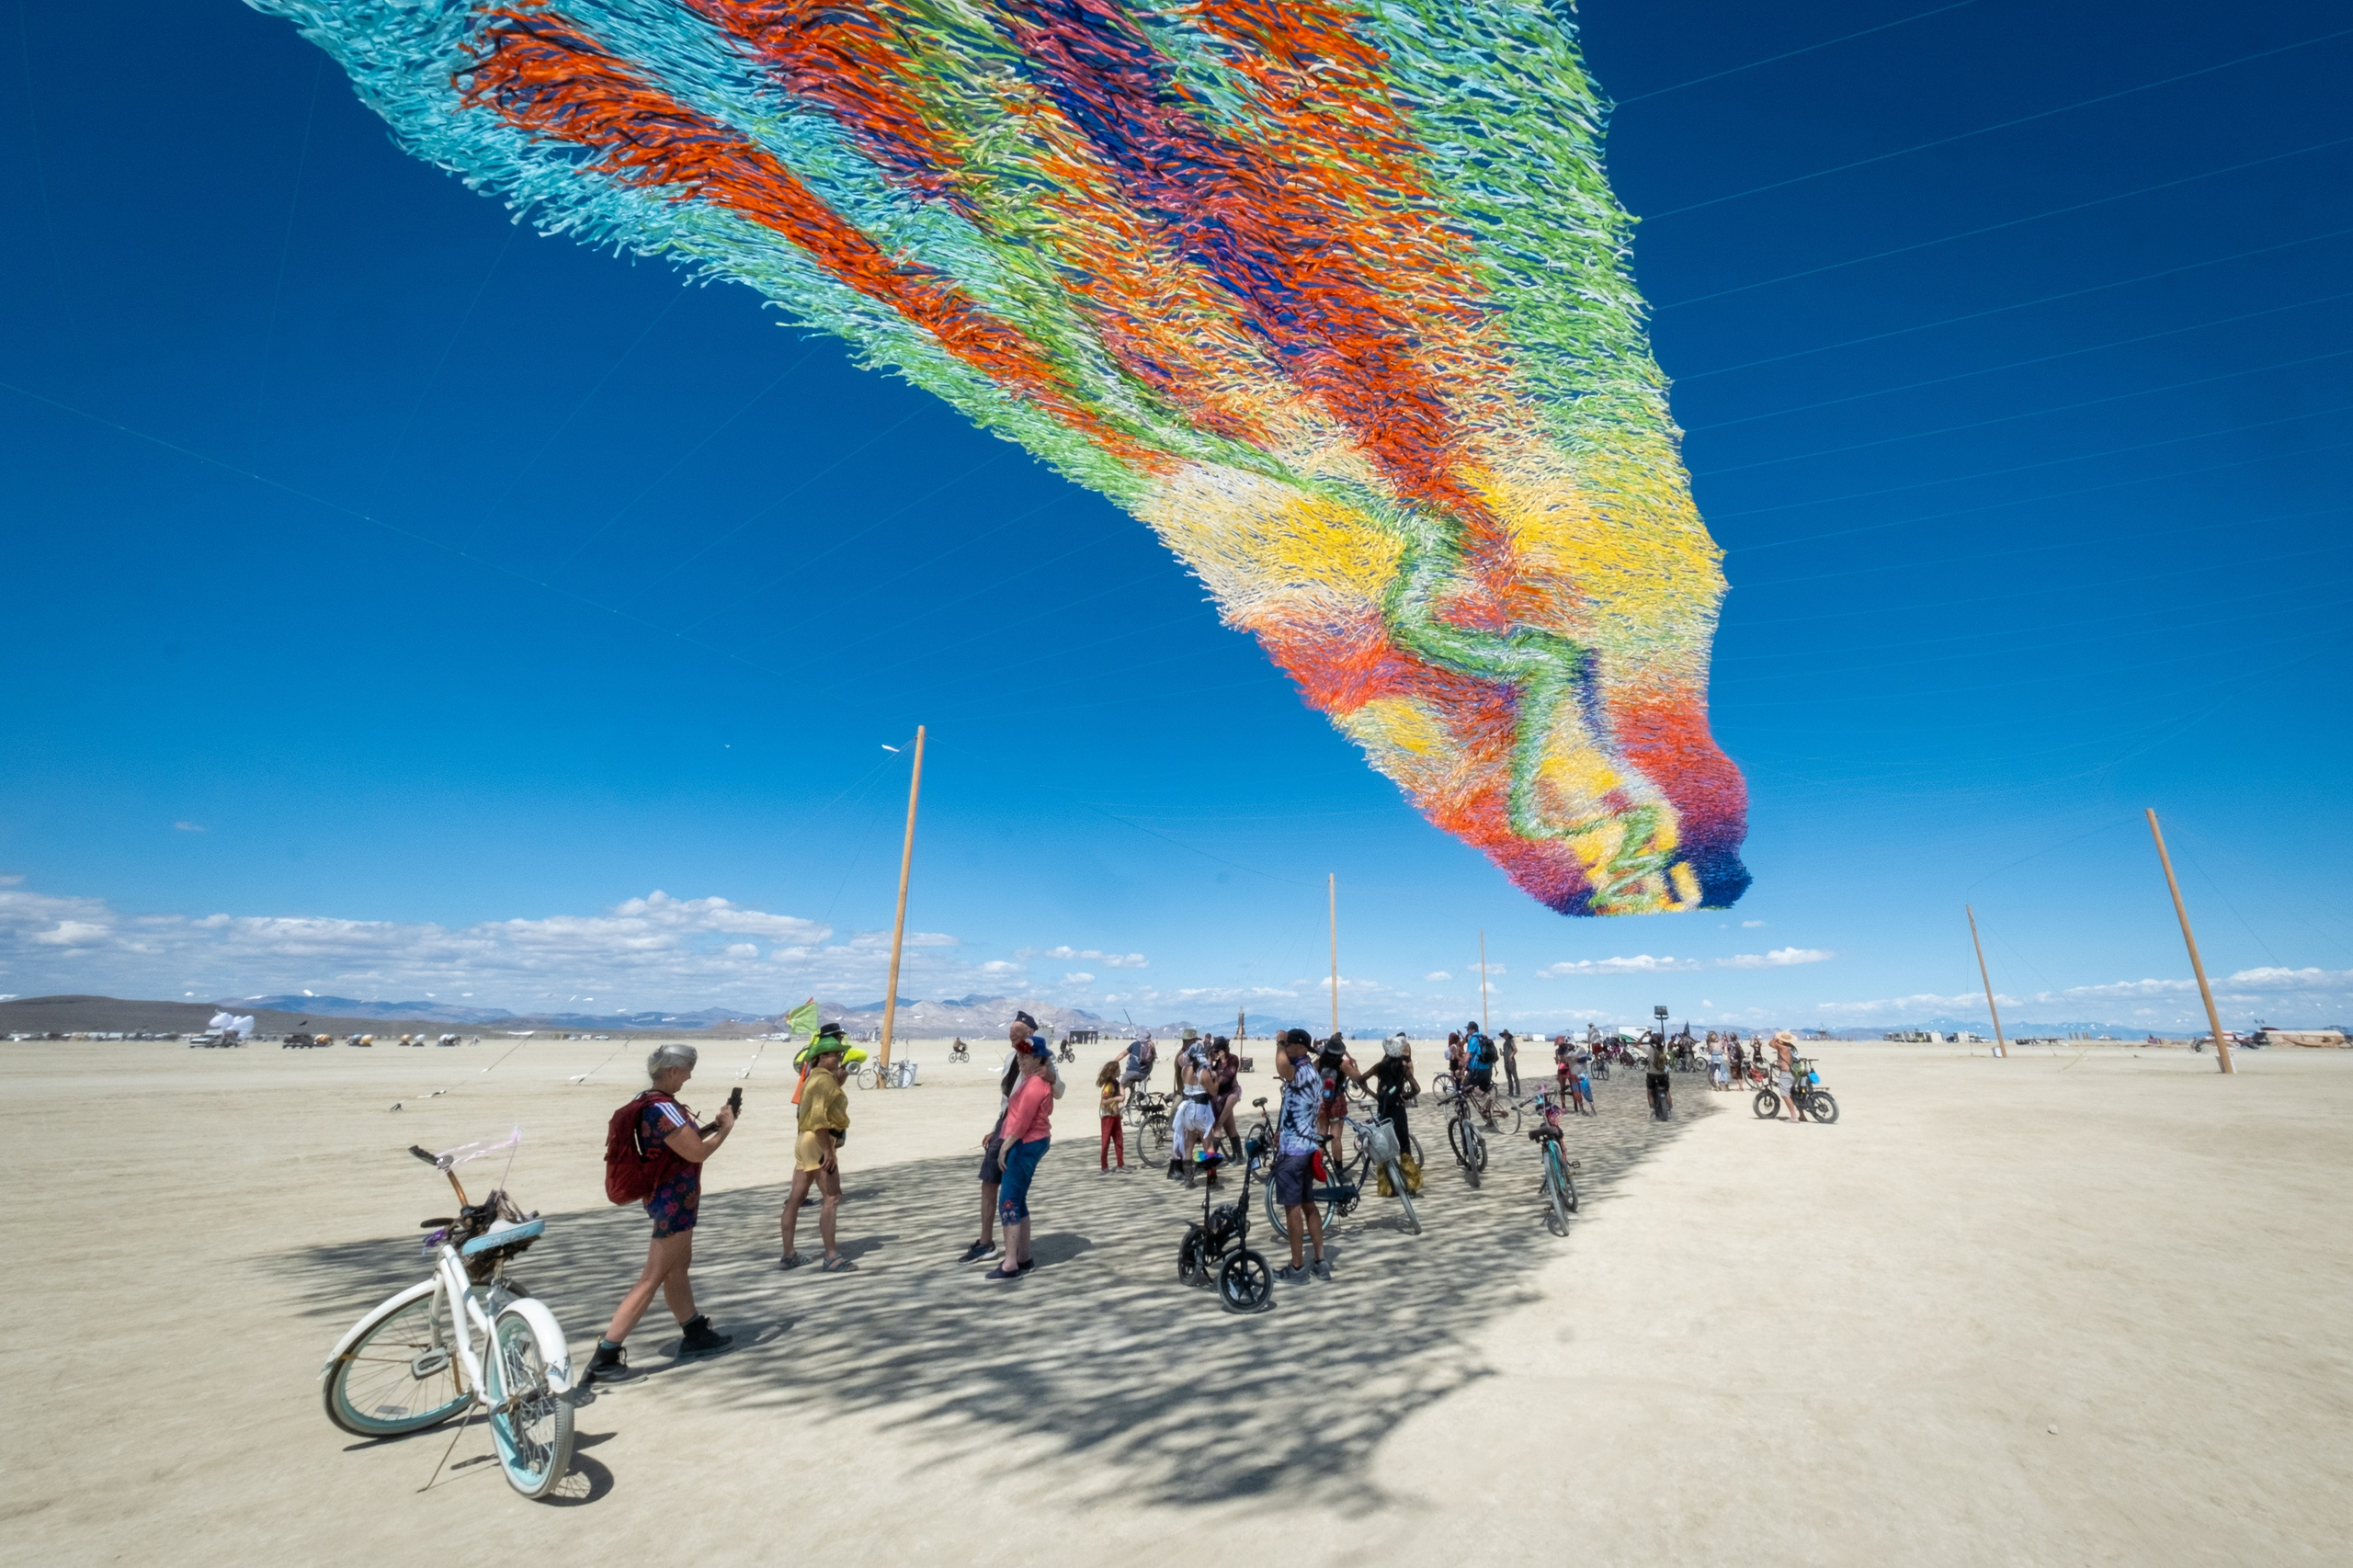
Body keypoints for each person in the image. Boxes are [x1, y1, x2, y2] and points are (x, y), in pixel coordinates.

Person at [585, 1043, 734, 1384]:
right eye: (687, 1070)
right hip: (673, 1200)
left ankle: (695, 1331)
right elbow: (695, 1153)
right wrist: (726, 1129)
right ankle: (605, 1356)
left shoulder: (651, 1101)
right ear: (672, 1072)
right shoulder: (663, 1109)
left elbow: (679, 1144)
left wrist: (712, 1124)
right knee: (652, 1277)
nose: (690, 1076)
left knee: (677, 1269)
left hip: (669, 1196)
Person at [961, 1017, 1063, 1263]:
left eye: (1018, 1031)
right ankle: (988, 1242)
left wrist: (1050, 1076)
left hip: (1022, 1132)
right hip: (1006, 1123)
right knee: (989, 1180)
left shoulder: (1042, 1061)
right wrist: (997, 1128)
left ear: (1031, 1032)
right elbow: (1009, 1100)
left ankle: (1011, 1259)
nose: (1012, 1035)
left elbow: (1054, 1092)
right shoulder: (1013, 1058)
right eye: (1010, 1030)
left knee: (1011, 1194)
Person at [779, 1028, 853, 1271]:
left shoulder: (815, 1077)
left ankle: (789, 1254)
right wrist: (828, 1151)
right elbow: (820, 1118)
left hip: (805, 1140)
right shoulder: (823, 1080)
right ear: (821, 1057)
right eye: (834, 1055)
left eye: (840, 1054)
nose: (839, 1059)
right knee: (832, 1198)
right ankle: (831, 1256)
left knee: (795, 1198)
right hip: (818, 1141)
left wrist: (838, 1082)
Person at [987, 1032, 1055, 1279]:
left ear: (1038, 1059)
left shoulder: (1036, 1084)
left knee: (1008, 1201)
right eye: (1019, 1056)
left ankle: (1010, 1263)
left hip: (1025, 1143)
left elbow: (1023, 1120)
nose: (1020, 1061)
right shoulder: (1031, 1079)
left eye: (1025, 1057)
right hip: (1026, 1141)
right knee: (1018, 1199)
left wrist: (1006, 1146)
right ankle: (1023, 1258)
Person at [1271, 1029, 1331, 1282]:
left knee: (1293, 1209)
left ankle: (1297, 1268)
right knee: (1309, 1206)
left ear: (1301, 1047)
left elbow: (1282, 1066)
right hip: (1307, 1147)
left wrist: (1278, 1043)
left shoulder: (1301, 1072)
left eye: (1290, 1045)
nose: (1287, 1049)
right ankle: (1320, 1260)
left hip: (1294, 1151)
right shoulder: (1313, 1074)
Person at [1366, 1035, 1419, 1183]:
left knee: (1384, 1146)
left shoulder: (1379, 1067)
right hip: (1398, 1110)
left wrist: (1376, 1096)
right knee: (1404, 1146)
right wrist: (1405, 1096)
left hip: (1382, 1110)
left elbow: (1361, 1080)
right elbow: (1417, 1088)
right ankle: (1412, 1183)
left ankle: (1387, 1185)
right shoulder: (1403, 1069)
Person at [1095, 1058, 1126, 1173]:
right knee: (1106, 1141)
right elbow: (1104, 1100)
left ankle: (1120, 1164)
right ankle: (1104, 1166)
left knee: (1119, 1140)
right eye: (1118, 1070)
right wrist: (1117, 1099)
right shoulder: (1109, 1086)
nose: (1120, 1071)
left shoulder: (1116, 1084)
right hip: (1107, 1116)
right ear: (1113, 1072)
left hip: (1115, 1114)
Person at [1645, 1035, 1673, 1120]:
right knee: (1667, 1090)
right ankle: (1671, 1110)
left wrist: (1645, 1034)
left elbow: (1637, 1044)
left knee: (1650, 1091)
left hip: (1651, 1074)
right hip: (1662, 1074)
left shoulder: (1648, 1048)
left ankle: (1652, 1111)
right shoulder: (1663, 1048)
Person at [1499, 1028, 1520, 1096]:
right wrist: (1502, 1053)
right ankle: (1510, 1092)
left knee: (1515, 1077)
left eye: (1506, 1035)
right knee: (1509, 1078)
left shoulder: (1511, 1041)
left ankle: (1518, 1092)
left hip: (1511, 1062)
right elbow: (1505, 1053)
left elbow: (1515, 1050)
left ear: (1508, 1035)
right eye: (1504, 1035)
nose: (1505, 1036)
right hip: (1506, 1063)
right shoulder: (1504, 1044)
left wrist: (1511, 1056)